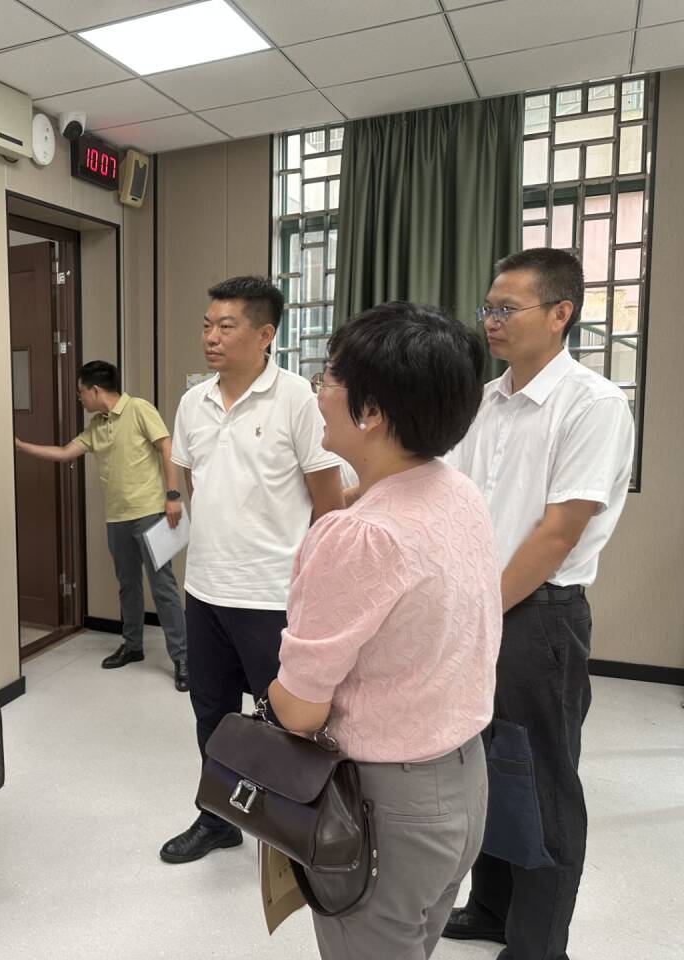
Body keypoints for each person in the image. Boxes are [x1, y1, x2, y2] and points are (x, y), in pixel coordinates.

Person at [268, 301, 500, 959]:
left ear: (369, 411)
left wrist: (275, 688)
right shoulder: (457, 491)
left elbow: (300, 709)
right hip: (462, 779)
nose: (317, 390)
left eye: (328, 376)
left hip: (383, 801)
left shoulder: (360, 536)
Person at [442, 248, 635, 960]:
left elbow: (557, 534)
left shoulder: (593, 404)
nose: (491, 321)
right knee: (487, 764)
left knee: (541, 779)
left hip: (539, 616)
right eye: (487, 308)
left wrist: (479, 611)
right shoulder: (483, 401)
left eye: (507, 308)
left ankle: (538, 946)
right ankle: (492, 908)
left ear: (561, 313)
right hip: (479, 604)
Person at [161, 275, 343, 864]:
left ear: (265, 334)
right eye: (206, 325)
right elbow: (196, 483)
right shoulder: (193, 402)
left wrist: (315, 585)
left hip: (272, 595)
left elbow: (329, 502)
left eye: (226, 326)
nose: (211, 337)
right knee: (212, 713)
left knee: (286, 721)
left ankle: (293, 829)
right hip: (205, 589)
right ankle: (217, 819)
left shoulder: (298, 401)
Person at [14, 360, 189, 690]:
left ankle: (183, 658)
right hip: (117, 518)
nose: (80, 398)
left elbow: (166, 446)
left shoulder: (139, 409)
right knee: (127, 585)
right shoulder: (97, 425)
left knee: (162, 587)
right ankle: (133, 646)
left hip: (150, 512)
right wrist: (22, 447)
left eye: (81, 392)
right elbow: (65, 452)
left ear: (95, 390)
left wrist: (173, 495)